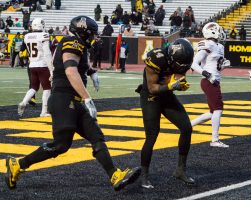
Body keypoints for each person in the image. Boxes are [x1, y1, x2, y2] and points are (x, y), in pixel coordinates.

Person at [5, 15, 141, 191]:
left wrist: (90, 71)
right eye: (91, 34)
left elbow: (74, 64)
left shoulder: (77, 45)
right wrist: (87, 98)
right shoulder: (72, 42)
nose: (94, 37)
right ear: (82, 33)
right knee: (61, 145)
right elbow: (70, 70)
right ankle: (18, 164)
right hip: (64, 98)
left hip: (72, 100)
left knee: (96, 136)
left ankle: (115, 175)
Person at [137, 38, 194, 188]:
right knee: (152, 135)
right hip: (151, 98)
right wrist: (172, 86)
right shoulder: (156, 58)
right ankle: (144, 176)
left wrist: (181, 84)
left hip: (167, 96)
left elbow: (179, 75)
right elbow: (152, 88)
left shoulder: (181, 58)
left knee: (187, 128)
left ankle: (180, 170)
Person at [190, 22, 231, 148]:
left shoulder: (219, 46)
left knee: (213, 112)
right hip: (208, 81)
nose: (222, 32)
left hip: (214, 80)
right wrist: (207, 74)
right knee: (218, 108)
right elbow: (194, 64)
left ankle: (188, 125)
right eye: (219, 30)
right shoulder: (208, 44)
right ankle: (215, 140)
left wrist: (222, 66)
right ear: (212, 31)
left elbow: (215, 67)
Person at [17, 18, 53, 117]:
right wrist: (51, 69)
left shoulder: (27, 36)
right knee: (47, 88)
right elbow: (47, 53)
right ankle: (44, 111)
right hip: (43, 65)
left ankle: (24, 102)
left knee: (34, 87)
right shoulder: (44, 35)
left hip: (32, 65)